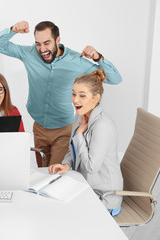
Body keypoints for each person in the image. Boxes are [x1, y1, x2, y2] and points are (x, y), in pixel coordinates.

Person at [0, 20, 122, 167]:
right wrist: (13, 30)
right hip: (39, 128)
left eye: (47, 43)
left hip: (63, 130)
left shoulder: (76, 61)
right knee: (42, 172)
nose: (42, 49)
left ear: (58, 40)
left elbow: (114, 79)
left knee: (54, 174)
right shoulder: (29, 53)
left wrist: (99, 58)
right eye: (38, 44)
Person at [48, 69, 123, 215]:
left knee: (61, 214)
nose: (75, 100)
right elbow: (72, 149)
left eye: (82, 95)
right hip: (86, 186)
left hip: (104, 196)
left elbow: (91, 167)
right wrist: (66, 164)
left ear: (96, 98)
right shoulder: (80, 115)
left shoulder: (102, 125)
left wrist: (79, 134)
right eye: (74, 93)